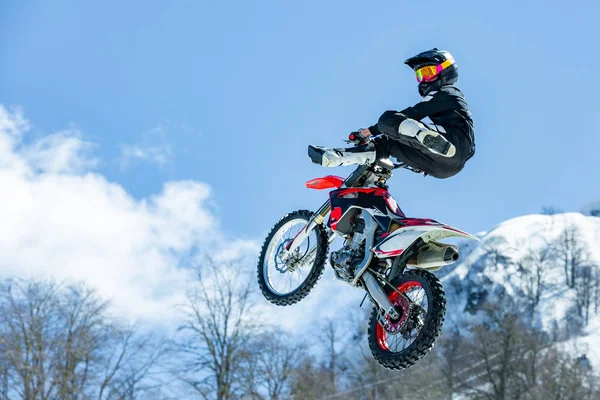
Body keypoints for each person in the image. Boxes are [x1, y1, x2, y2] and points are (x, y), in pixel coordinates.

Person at [308, 48, 475, 179]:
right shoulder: (443, 98)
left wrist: (370, 131)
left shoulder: (448, 92)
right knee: (387, 144)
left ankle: (432, 142)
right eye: (420, 75)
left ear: (446, 71)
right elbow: (471, 149)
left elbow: (414, 113)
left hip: (453, 144)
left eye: (428, 72)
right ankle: (337, 157)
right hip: (444, 168)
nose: (424, 79)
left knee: (388, 119)